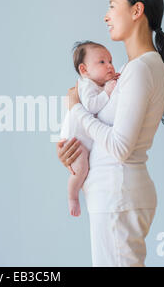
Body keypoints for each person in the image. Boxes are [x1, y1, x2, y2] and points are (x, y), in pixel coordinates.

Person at [57, 0, 164, 266]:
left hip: (118, 196)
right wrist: (73, 148)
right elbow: (107, 136)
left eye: (112, 6)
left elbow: (119, 147)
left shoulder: (140, 69)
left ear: (136, 10)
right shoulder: (133, 70)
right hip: (114, 197)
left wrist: (76, 109)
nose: (106, 15)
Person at [59, 41, 119, 217]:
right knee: (81, 169)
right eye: (102, 62)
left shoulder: (97, 84)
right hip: (75, 141)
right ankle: (73, 196)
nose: (109, 66)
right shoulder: (86, 85)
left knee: (83, 167)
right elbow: (92, 106)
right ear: (84, 70)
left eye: (110, 61)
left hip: (82, 140)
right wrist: (107, 91)